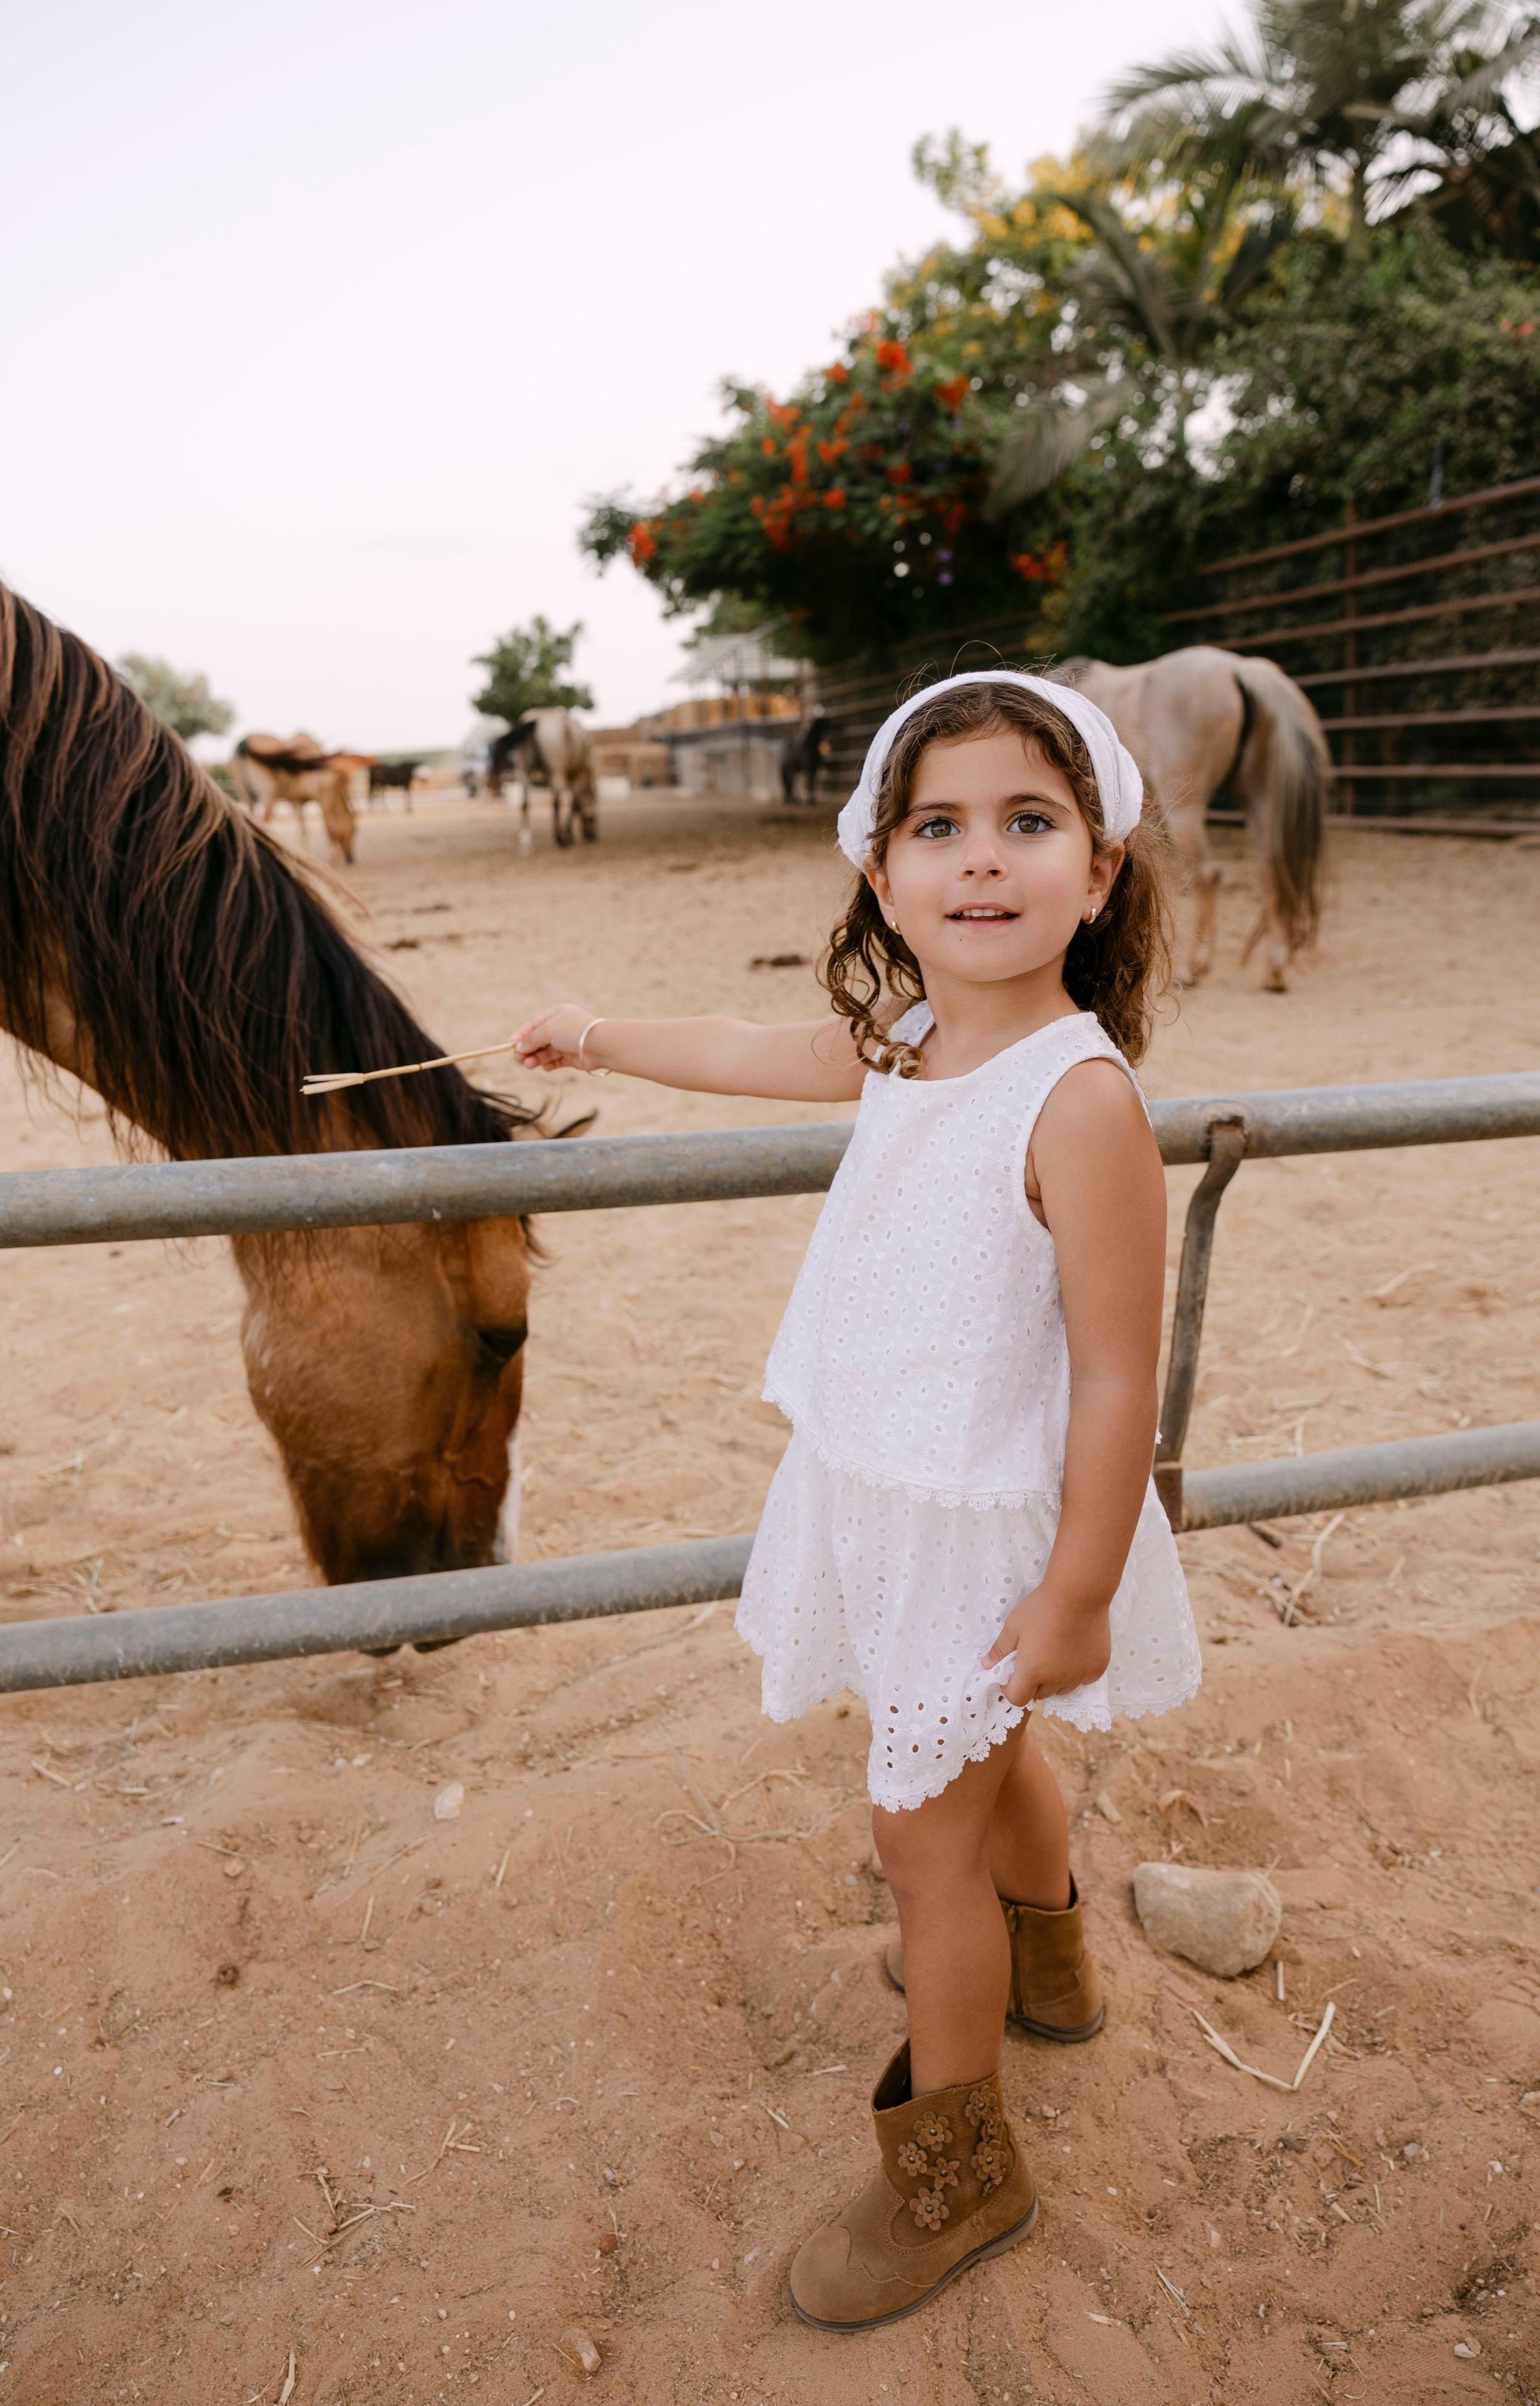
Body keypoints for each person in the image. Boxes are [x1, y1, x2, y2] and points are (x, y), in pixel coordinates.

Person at [512, 670, 1200, 2332]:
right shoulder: (911, 1040)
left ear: (1097, 872)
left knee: (918, 1841)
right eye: (937, 828)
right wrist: (596, 1035)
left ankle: (958, 2178)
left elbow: (1119, 1377)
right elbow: (757, 1045)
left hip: (993, 1526)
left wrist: (1082, 1590)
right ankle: (1052, 1972)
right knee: (977, 1766)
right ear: (882, 873)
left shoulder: (1078, 1098)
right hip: (889, 1486)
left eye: (1027, 825)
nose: (981, 863)